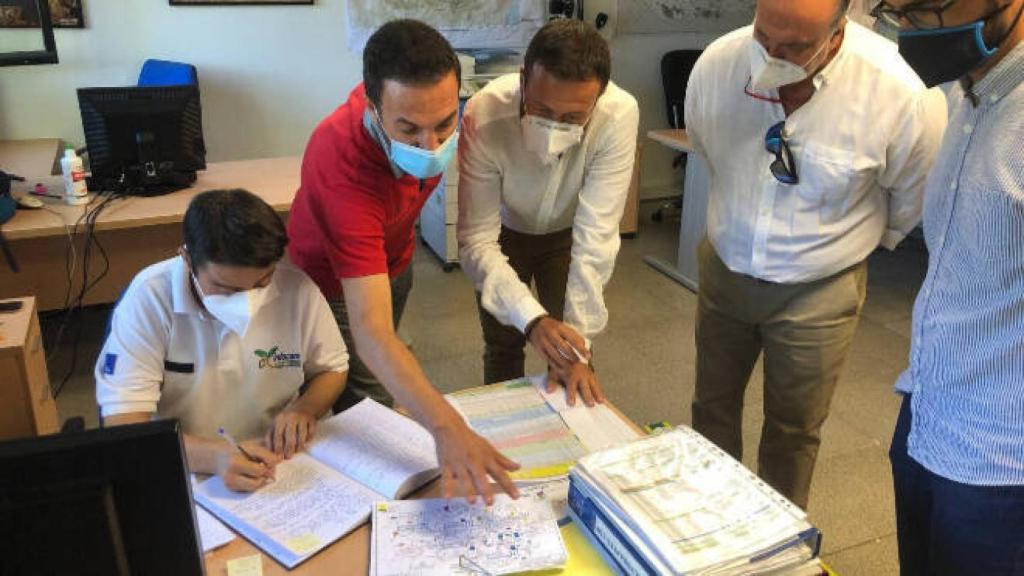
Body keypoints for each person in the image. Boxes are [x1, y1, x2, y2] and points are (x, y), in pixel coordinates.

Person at [684, 0, 946, 508]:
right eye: (764, 37)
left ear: (839, 29)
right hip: (725, 268)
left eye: (796, 46)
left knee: (794, 428)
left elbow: (911, 197)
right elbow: (705, 148)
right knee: (711, 408)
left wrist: (846, 244)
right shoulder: (718, 64)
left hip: (820, 288)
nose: (773, 55)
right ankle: (707, 526)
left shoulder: (898, 92)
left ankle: (777, 543)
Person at [286, 19, 520, 504]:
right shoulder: (342, 164)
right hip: (329, 281)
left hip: (394, 257)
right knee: (365, 400)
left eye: (443, 124)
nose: (431, 146)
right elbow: (371, 332)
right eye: (409, 130)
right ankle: (374, 510)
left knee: (387, 370)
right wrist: (447, 427)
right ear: (374, 108)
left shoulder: (427, 114)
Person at [874, 0, 1024, 572]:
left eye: (925, 9)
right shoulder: (965, 96)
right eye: (896, 10)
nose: (908, 29)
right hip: (928, 410)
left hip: (1001, 461)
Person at [96, 189, 350, 492]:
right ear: (187, 258)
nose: (245, 301)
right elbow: (124, 424)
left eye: (261, 283)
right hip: (184, 460)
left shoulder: (297, 289)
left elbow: (332, 367)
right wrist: (212, 457)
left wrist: (305, 409)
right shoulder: (149, 298)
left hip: (275, 459)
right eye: (225, 288)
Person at [457, 19, 639, 407]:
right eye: (540, 109)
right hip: (503, 235)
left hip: (568, 235)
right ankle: (502, 429)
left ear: (599, 97)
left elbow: (597, 237)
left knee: (571, 351)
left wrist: (577, 347)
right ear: (524, 79)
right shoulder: (485, 111)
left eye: (572, 117)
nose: (554, 125)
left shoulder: (619, 115)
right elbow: (476, 241)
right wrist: (532, 320)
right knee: (504, 342)